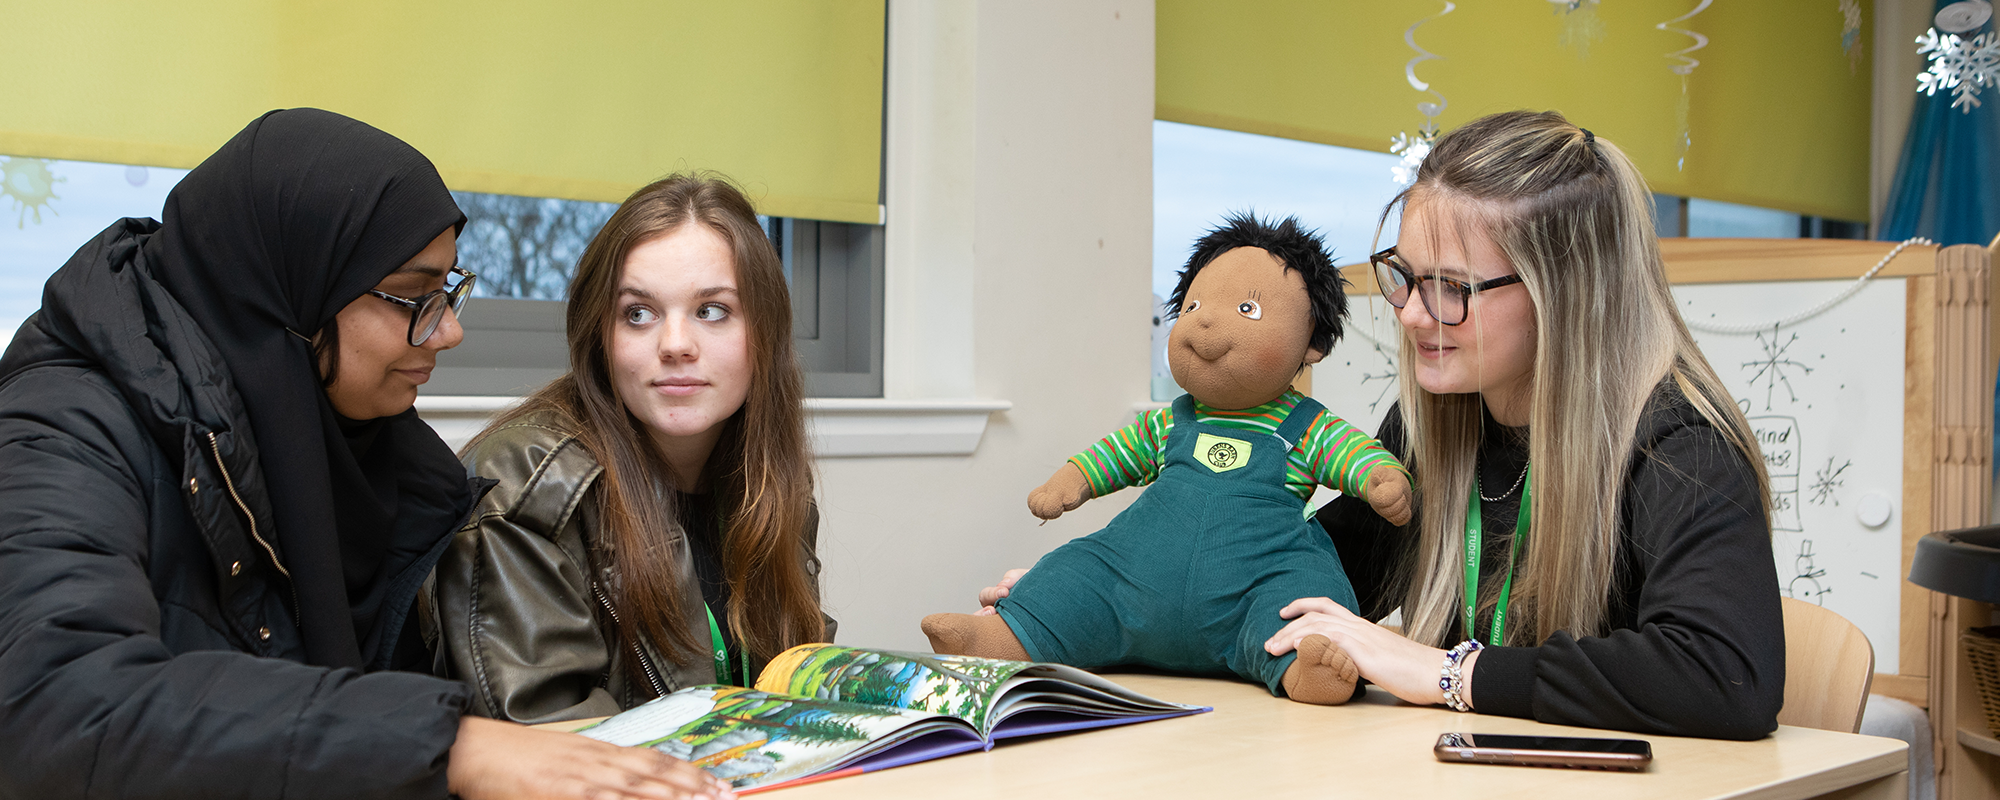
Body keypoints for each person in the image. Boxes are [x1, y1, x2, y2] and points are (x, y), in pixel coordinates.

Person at [0, 109, 732, 800]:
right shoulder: (62, 427)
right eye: (413, 298)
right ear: (296, 291)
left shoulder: (369, 458)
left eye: (447, 291)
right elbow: (54, 708)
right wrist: (450, 745)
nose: (446, 333)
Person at [982, 109, 1783, 740]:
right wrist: (1120, 596)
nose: (1410, 313)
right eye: (1403, 275)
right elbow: (1290, 584)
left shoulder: (1682, 445)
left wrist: (1445, 672)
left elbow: (1725, 678)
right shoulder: (1437, 427)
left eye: (1452, 287)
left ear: (1565, 293)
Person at [433, 174, 831, 724]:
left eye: (712, 310)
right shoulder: (527, 490)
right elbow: (553, 755)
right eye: (638, 313)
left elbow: (801, 695)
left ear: (765, 332)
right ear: (601, 336)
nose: (675, 345)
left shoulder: (765, 481)